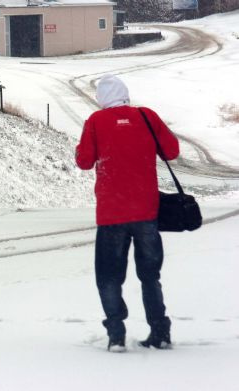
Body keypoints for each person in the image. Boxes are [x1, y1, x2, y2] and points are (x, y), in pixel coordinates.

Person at [75, 75, 179, 352]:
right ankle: (160, 332)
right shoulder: (146, 116)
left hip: (111, 214)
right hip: (146, 211)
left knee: (108, 276)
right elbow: (171, 151)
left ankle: (116, 335)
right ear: (126, 95)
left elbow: (84, 161)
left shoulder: (96, 122)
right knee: (149, 275)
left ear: (101, 99)